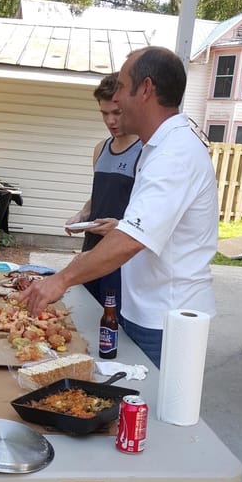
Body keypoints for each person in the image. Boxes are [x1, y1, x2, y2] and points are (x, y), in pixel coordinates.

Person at [17, 46, 218, 482]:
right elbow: (144, 226)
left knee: (148, 409)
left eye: (123, 87)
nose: (118, 98)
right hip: (147, 302)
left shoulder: (174, 151)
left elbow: (132, 240)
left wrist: (61, 279)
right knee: (130, 398)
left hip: (167, 313)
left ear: (145, 89)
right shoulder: (163, 144)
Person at [65, 72, 142, 310]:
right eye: (104, 114)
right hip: (90, 252)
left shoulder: (146, 151)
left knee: (111, 325)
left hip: (122, 259)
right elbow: (98, 193)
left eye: (116, 113)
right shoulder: (101, 149)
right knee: (83, 318)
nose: (110, 121)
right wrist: (82, 214)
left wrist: (120, 225)